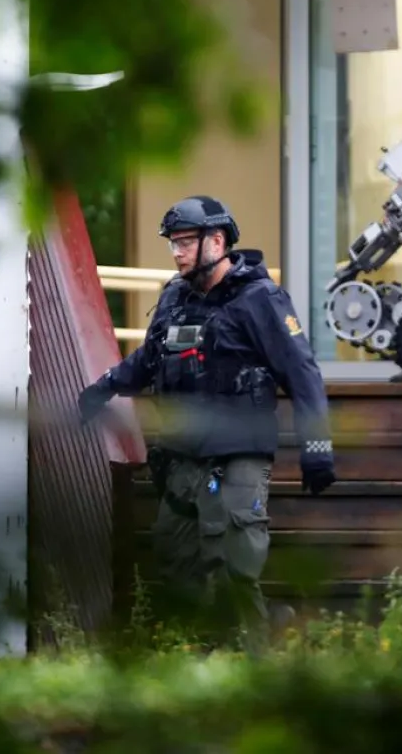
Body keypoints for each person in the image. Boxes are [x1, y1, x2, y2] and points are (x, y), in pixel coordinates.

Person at [76, 195, 336, 638]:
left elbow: (302, 371)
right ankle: (206, 661)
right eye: (172, 244)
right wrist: (101, 389)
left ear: (216, 241)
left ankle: (254, 667)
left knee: (233, 565)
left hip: (237, 455)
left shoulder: (260, 298)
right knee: (176, 564)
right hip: (182, 454)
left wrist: (317, 447)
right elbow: (150, 360)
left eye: (184, 243)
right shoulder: (176, 297)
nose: (176, 252)